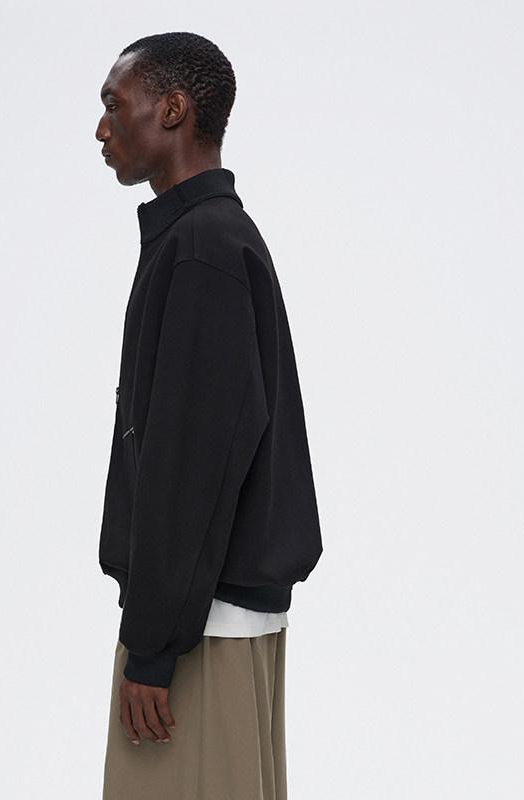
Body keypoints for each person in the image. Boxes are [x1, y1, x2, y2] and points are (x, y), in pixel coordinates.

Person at [95, 32, 322, 800]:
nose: (101, 129)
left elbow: (191, 465)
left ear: (172, 109)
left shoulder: (202, 249)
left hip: (196, 633)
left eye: (114, 105)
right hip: (207, 617)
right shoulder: (202, 238)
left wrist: (153, 647)